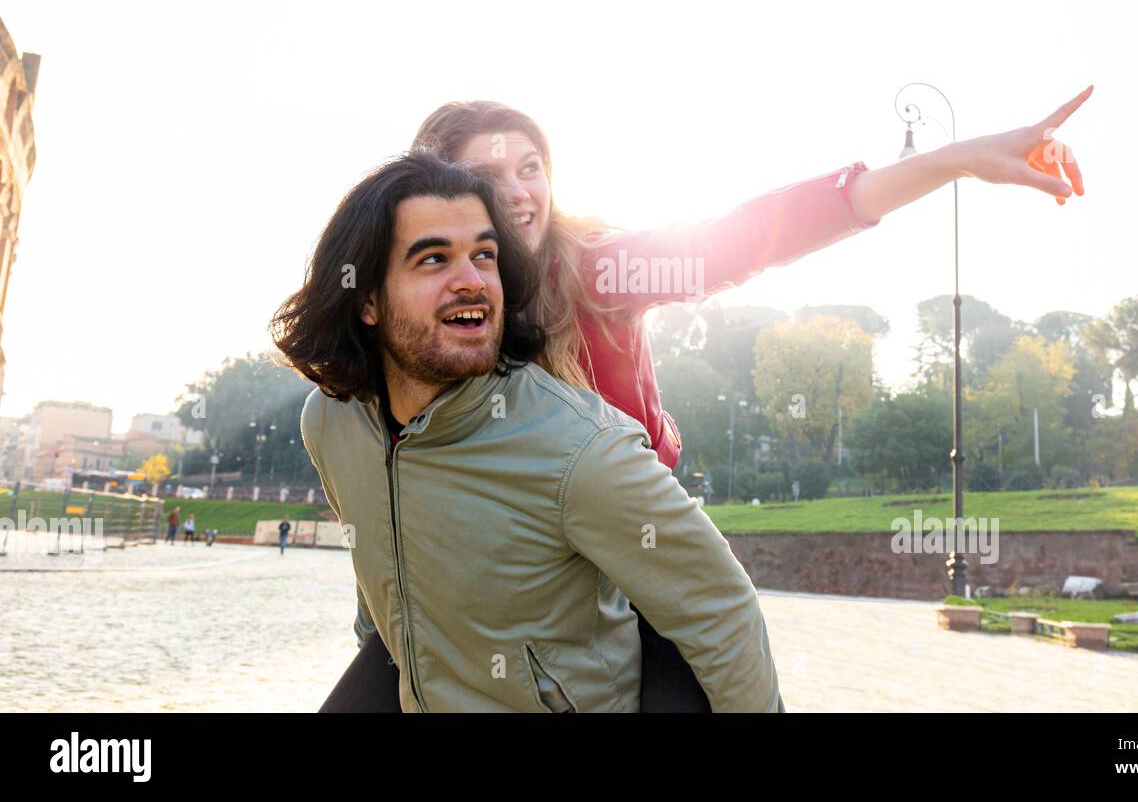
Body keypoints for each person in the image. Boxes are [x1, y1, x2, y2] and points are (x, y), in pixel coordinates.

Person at [328, 87, 1093, 711]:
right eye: (493, 174)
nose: (521, 190)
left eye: (534, 166)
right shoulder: (412, 322)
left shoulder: (600, 272)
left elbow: (747, 236)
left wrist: (953, 161)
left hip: (632, 576)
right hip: (492, 586)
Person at [273, 153, 784, 712]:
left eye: (484, 255)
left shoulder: (579, 449)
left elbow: (724, 612)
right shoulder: (331, 421)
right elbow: (378, 576)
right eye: (433, 259)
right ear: (367, 299)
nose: (470, 281)